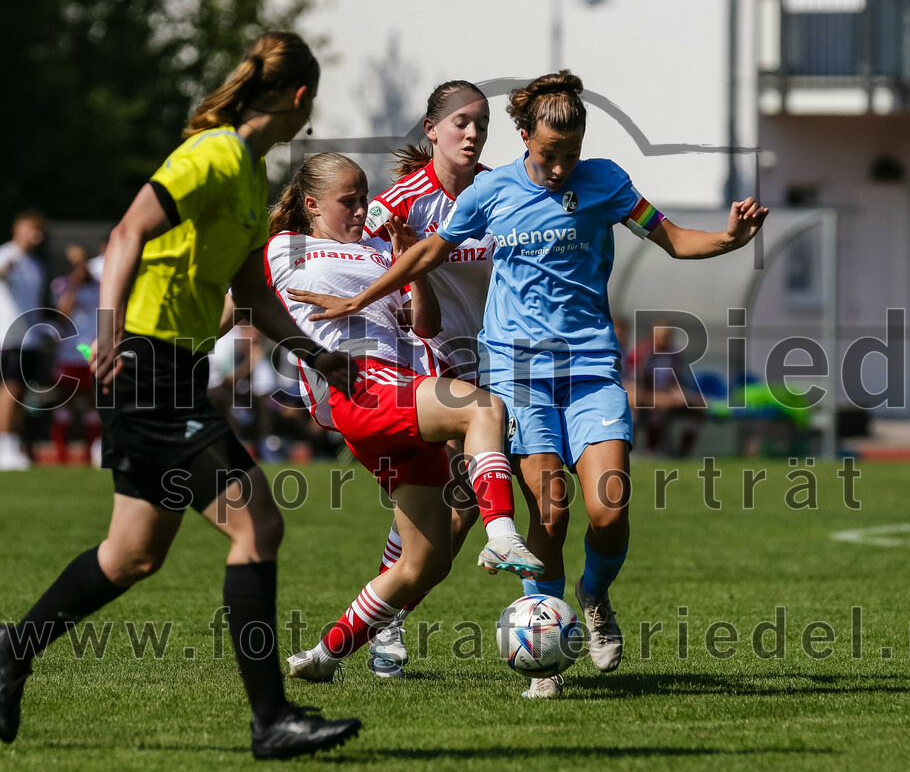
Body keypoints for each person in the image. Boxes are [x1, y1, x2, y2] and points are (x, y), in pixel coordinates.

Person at [288, 71, 769, 698]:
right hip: (508, 371)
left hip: (591, 368)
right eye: (549, 154)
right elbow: (422, 255)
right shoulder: (487, 192)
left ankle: (592, 596)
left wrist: (730, 239)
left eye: (571, 154)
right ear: (524, 138)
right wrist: (356, 303)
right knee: (544, 507)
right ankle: (540, 653)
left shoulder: (607, 183)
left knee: (609, 508)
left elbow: (673, 238)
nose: (562, 167)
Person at [0, 32, 363, 760]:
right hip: (148, 367)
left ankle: (10, 654)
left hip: (175, 371)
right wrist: (107, 334)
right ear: (298, 99)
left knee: (131, 554)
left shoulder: (247, 176)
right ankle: (271, 719)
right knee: (257, 524)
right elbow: (129, 229)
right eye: (312, 105)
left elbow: (252, 292)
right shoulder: (215, 154)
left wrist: (318, 355)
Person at [250, 152, 541, 684]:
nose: (363, 209)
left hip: (396, 392)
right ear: (311, 205)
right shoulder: (285, 247)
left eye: (364, 197)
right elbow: (240, 303)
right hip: (361, 386)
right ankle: (502, 532)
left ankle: (323, 656)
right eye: (348, 201)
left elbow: (425, 325)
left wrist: (413, 264)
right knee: (482, 408)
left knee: (423, 564)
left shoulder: (382, 250)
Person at [359, 80, 493, 678]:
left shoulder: (502, 191)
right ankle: (386, 617)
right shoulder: (398, 205)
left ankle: (386, 612)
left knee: (453, 515)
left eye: (481, 124)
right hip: (426, 359)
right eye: (461, 122)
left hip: (495, 360)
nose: (472, 133)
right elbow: (358, 274)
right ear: (431, 129)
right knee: (456, 501)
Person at [0, 211, 48, 470]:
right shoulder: (5, 254)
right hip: (8, 335)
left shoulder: (37, 265)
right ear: (18, 228)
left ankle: (14, 446)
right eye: (33, 229)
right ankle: (3, 446)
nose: (36, 236)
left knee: (23, 395)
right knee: (10, 390)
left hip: (31, 339)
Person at [48, 244, 103, 465]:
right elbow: (62, 315)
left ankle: (92, 452)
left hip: (93, 352)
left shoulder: (101, 285)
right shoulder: (60, 284)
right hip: (69, 353)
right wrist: (74, 286)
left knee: (95, 403)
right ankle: (61, 454)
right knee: (64, 403)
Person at [628, 320, 707, 456]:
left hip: (665, 395)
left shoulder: (674, 353)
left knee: (698, 406)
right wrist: (657, 396)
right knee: (658, 405)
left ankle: (683, 453)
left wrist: (679, 393)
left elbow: (674, 380)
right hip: (644, 395)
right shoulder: (643, 352)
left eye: (667, 337)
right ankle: (649, 450)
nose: (664, 341)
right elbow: (635, 386)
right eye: (661, 337)